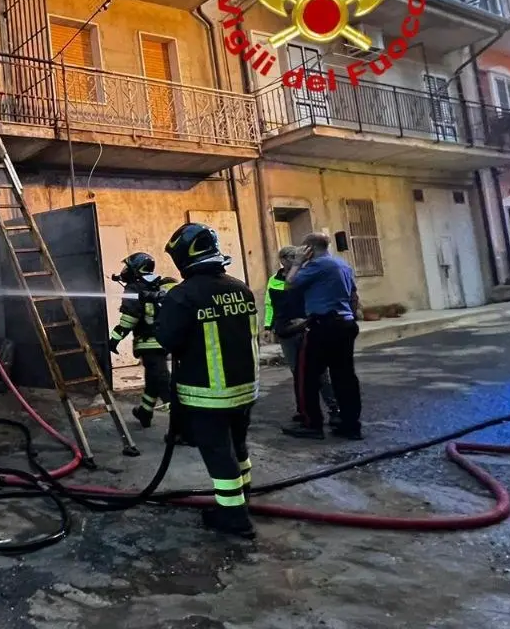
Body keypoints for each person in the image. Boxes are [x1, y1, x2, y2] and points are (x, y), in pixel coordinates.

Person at [155, 223, 259, 539]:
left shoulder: (183, 296)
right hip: (244, 388)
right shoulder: (240, 287)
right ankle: (243, 500)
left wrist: (164, 308)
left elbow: (167, 340)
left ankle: (234, 518)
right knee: (238, 446)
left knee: (218, 453)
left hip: (208, 394)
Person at [279, 232, 364, 441]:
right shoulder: (343, 265)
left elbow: (289, 284)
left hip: (323, 326)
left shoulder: (317, 266)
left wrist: (297, 263)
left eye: (302, 248)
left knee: (306, 375)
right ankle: (350, 424)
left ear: (309, 248)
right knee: (344, 376)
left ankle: (311, 424)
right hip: (345, 324)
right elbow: (353, 295)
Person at [264, 246, 338, 426]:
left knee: (320, 373)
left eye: (295, 257)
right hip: (285, 332)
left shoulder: (306, 276)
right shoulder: (273, 281)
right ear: (282, 260)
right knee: (297, 373)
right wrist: (268, 326)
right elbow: (269, 305)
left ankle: (334, 409)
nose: (292, 260)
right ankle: (303, 410)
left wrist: (307, 321)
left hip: (306, 329)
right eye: (289, 257)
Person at [106, 252, 178, 429]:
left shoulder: (133, 288)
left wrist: (114, 339)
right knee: (153, 378)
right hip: (165, 341)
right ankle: (145, 412)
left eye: (127, 268)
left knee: (161, 378)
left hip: (148, 343)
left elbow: (129, 318)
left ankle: (180, 424)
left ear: (136, 269)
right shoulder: (161, 284)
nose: (124, 271)